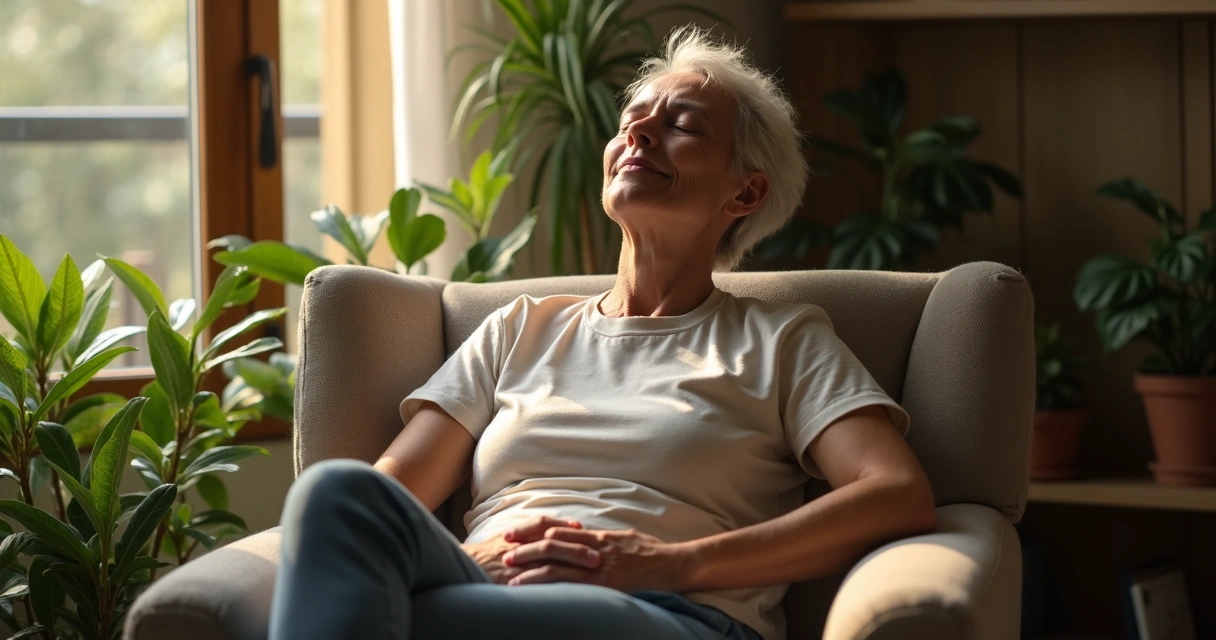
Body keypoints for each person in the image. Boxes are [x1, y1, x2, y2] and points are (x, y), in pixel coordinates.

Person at [268, 26, 936, 640]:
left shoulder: (781, 342)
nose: (639, 134)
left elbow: (896, 495)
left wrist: (667, 564)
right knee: (337, 492)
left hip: (669, 612)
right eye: (631, 122)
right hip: (490, 584)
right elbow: (392, 497)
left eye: (681, 126)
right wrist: (478, 557)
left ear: (745, 193)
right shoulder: (520, 329)